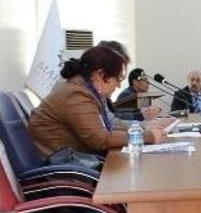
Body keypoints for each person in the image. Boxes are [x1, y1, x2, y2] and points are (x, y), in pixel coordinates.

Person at [28, 43, 166, 155]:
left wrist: (145, 129)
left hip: (78, 159)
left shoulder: (84, 89)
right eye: (118, 79)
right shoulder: (76, 94)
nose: (118, 85)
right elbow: (100, 139)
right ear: (100, 75)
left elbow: (105, 131)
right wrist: (148, 137)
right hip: (67, 170)